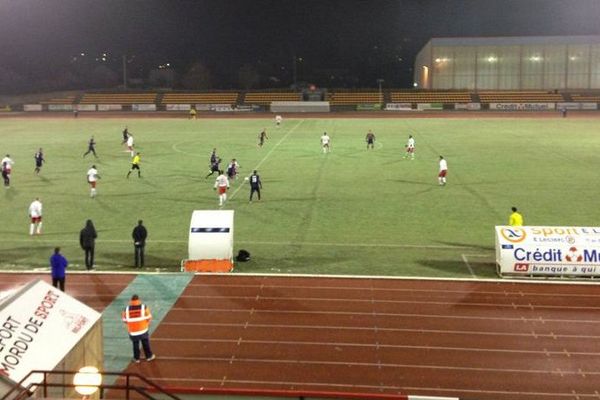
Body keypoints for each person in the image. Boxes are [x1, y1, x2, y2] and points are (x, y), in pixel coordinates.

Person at [121, 294, 156, 363]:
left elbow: (124, 320)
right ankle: (149, 356)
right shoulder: (144, 307)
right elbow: (149, 317)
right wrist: (146, 324)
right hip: (143, 329)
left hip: (133, 331)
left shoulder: (126, 309)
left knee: (135, 344)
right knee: (145, 343)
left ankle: (136, 358)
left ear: (131, 301)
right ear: (138, 300)